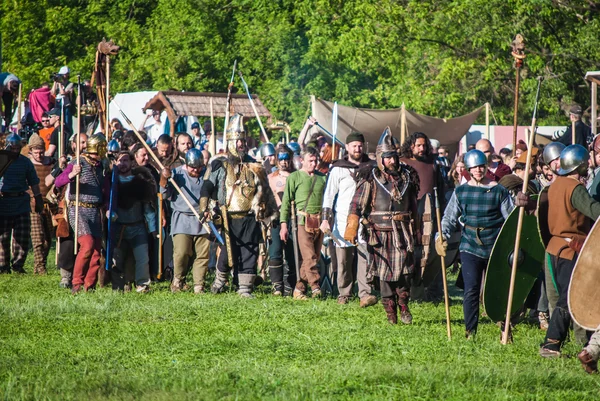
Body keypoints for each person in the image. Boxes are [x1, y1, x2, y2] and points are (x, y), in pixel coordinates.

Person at [437, 149, 515, 339]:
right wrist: (441, 236)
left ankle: (505, 328)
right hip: (469, 245)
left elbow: (511, 219)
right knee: (471, 290)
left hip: (495, 246)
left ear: (486, 167)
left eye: (481, 166)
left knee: (497, 290)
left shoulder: (499, 191)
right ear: (469, 170)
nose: (478, 170)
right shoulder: (461, 191)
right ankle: (470, 331)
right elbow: (449, 218)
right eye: (474, 167)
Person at [345, 128, 420, 324]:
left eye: (393, 156)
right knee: (385, 277)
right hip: (378, 234)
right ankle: (390, 313)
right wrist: (352, 226)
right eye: (387, 157)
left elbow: (413, 207)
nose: (392, 161)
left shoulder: (408, 177)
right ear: (380, 158)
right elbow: (356, 204)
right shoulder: (370, 177)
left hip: (402, 233)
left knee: (404, 273)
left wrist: (418, 230)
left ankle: (404, 306)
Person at [200, 113, 278, 298]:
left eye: (243, 141)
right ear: (230, 142)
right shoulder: (219, 164)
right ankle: (219, 281)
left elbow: (265, 191)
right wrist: (204, 207)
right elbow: (207, 187)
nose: (241, 145)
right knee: (228, 252)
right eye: (237, 141)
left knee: (249, 251)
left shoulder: (254, 166)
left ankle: (244, 289)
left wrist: (270, 215)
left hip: (250, 217)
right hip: (227, 216)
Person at [539, 145, 600, 357]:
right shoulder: (575, 188)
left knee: (561, 297)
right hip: (570, 249)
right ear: (581, 165)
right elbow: (594, 211)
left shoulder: (554, 185)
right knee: (569, 298)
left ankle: (574, 342)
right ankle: (551, 344)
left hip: (553, 248)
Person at [321, 132, 377, 306]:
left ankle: (365, 293)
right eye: (354, 145)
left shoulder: (371, 167)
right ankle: (344, 293)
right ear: (347, 147)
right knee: (344, 259)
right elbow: (329, 195)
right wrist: (324, 219)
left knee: (365, 256)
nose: (357, 148)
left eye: (360, 145)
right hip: (342, 219)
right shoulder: (338, 168)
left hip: (364, 219)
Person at [54, 133, 108, 293]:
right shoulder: (78, 162)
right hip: (78, 209)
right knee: (87, 245)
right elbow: (58, 182)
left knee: (97, 252)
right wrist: (72, 174)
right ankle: (76, 285)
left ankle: (89, 287)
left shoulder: (101, 166)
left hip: (95, 211)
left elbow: (104, 189)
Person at [400, 132, 446, 301]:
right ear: (411, 145)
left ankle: (430, 291)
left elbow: (440, 190)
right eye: (418, 145)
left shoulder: (432, 165)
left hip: (429, 214)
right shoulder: (402, 164)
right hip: (408, 213)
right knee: (409, 251)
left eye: (424, 145)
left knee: (429, 252)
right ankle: (408, 291)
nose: (421, 148)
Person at [279, 146, 327, 300]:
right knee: (309, 256)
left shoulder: (322, 177)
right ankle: (315, 287)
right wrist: (283, 225)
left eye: (316, 160)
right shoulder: (294, 177)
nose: (314, 163)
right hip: (301, 221)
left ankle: (299, 289)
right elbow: (286, 202)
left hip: (318, 221)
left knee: (314, 257)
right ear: (302, 161)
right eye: (311, 160)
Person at [160, 149, 210, 293]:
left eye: (198, 167)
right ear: (186, 165)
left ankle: (199, 285)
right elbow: (163, 195)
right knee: (181, 252)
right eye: (193, 168)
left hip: (202, 219)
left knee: (202, 255)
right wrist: (164, 179)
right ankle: (178, 280)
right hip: (182, 219)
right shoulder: (176, 174)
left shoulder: (206, 174)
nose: (196, 170)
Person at [109, 151, 157, 293]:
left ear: (131, 163)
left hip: (137, 227)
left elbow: (148, 207)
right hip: (118, 228)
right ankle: (119, 285)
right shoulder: (112, 181)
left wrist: (153, 229)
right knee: (117, 259)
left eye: (126, 161)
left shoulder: (140, 182)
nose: (122, 164)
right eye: (120, 161)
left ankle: (142, 285)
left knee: (142, 258)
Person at [0, 133, 43, 274]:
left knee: (22, 236)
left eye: (17, 148)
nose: (15, 151)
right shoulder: (1, 160)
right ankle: (3, 266)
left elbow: (33, 181)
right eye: (13, 148)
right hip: (4, 200)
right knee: (3, 237)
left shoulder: (25, 162)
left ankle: (18, 265)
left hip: (21, 201)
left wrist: (38, 197)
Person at [266, 144, 298, 295]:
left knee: (292, 253)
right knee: (275, 251)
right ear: (276, 160)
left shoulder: (297, 176)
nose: (284, 162)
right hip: (276, 219)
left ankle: (290, 286)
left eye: (287, 159)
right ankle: (277, 286)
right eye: (281, 159)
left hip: (293, 219)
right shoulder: (271, 178)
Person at [27, 134, 56, 274]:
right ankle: (40, 267)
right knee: (38, 237)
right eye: (36, 151)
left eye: (41, 150)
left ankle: (41, 264)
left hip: (49, 203)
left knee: (48, 239)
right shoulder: (27, 164)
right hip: (32, 204)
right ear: (30, 151)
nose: (39, 153)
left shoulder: (50, 163)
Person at [51, 66, 75, 131]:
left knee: (67, 123)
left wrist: (60, 84)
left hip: (66, 105)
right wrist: (55, 82)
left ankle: (68, 135)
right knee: (58, 121)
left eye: (63, 74)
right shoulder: (58, 82)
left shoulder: (70, 84)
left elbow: (62, 93)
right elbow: (52, 92)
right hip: (58, 104)